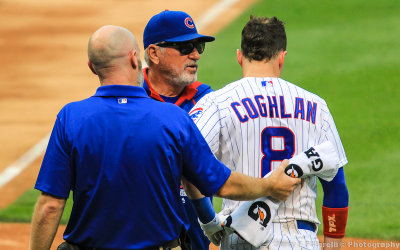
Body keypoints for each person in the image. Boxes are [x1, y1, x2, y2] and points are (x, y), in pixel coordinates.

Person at [29, 25, 300, 250]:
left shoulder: (71, 118)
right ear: (136, 58)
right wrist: (269, 186)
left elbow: (50, 206)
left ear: (92, 67)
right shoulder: (172, 118)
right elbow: (222, 184)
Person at [190, 16, 349, 249]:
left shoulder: (217, 103)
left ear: (239, 56)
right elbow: (336, 185)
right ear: (282, 58)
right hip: (300, 239)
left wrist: (208, 221)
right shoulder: (317, 106)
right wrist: (333, 244)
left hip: (242, 236)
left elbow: (191, 165)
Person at [142, 10, 215, 250]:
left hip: (195, 241)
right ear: (154, 53)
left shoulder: (208, 101)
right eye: (185, 47)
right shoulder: (130, 100)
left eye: (198, 47)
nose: (195, 55)